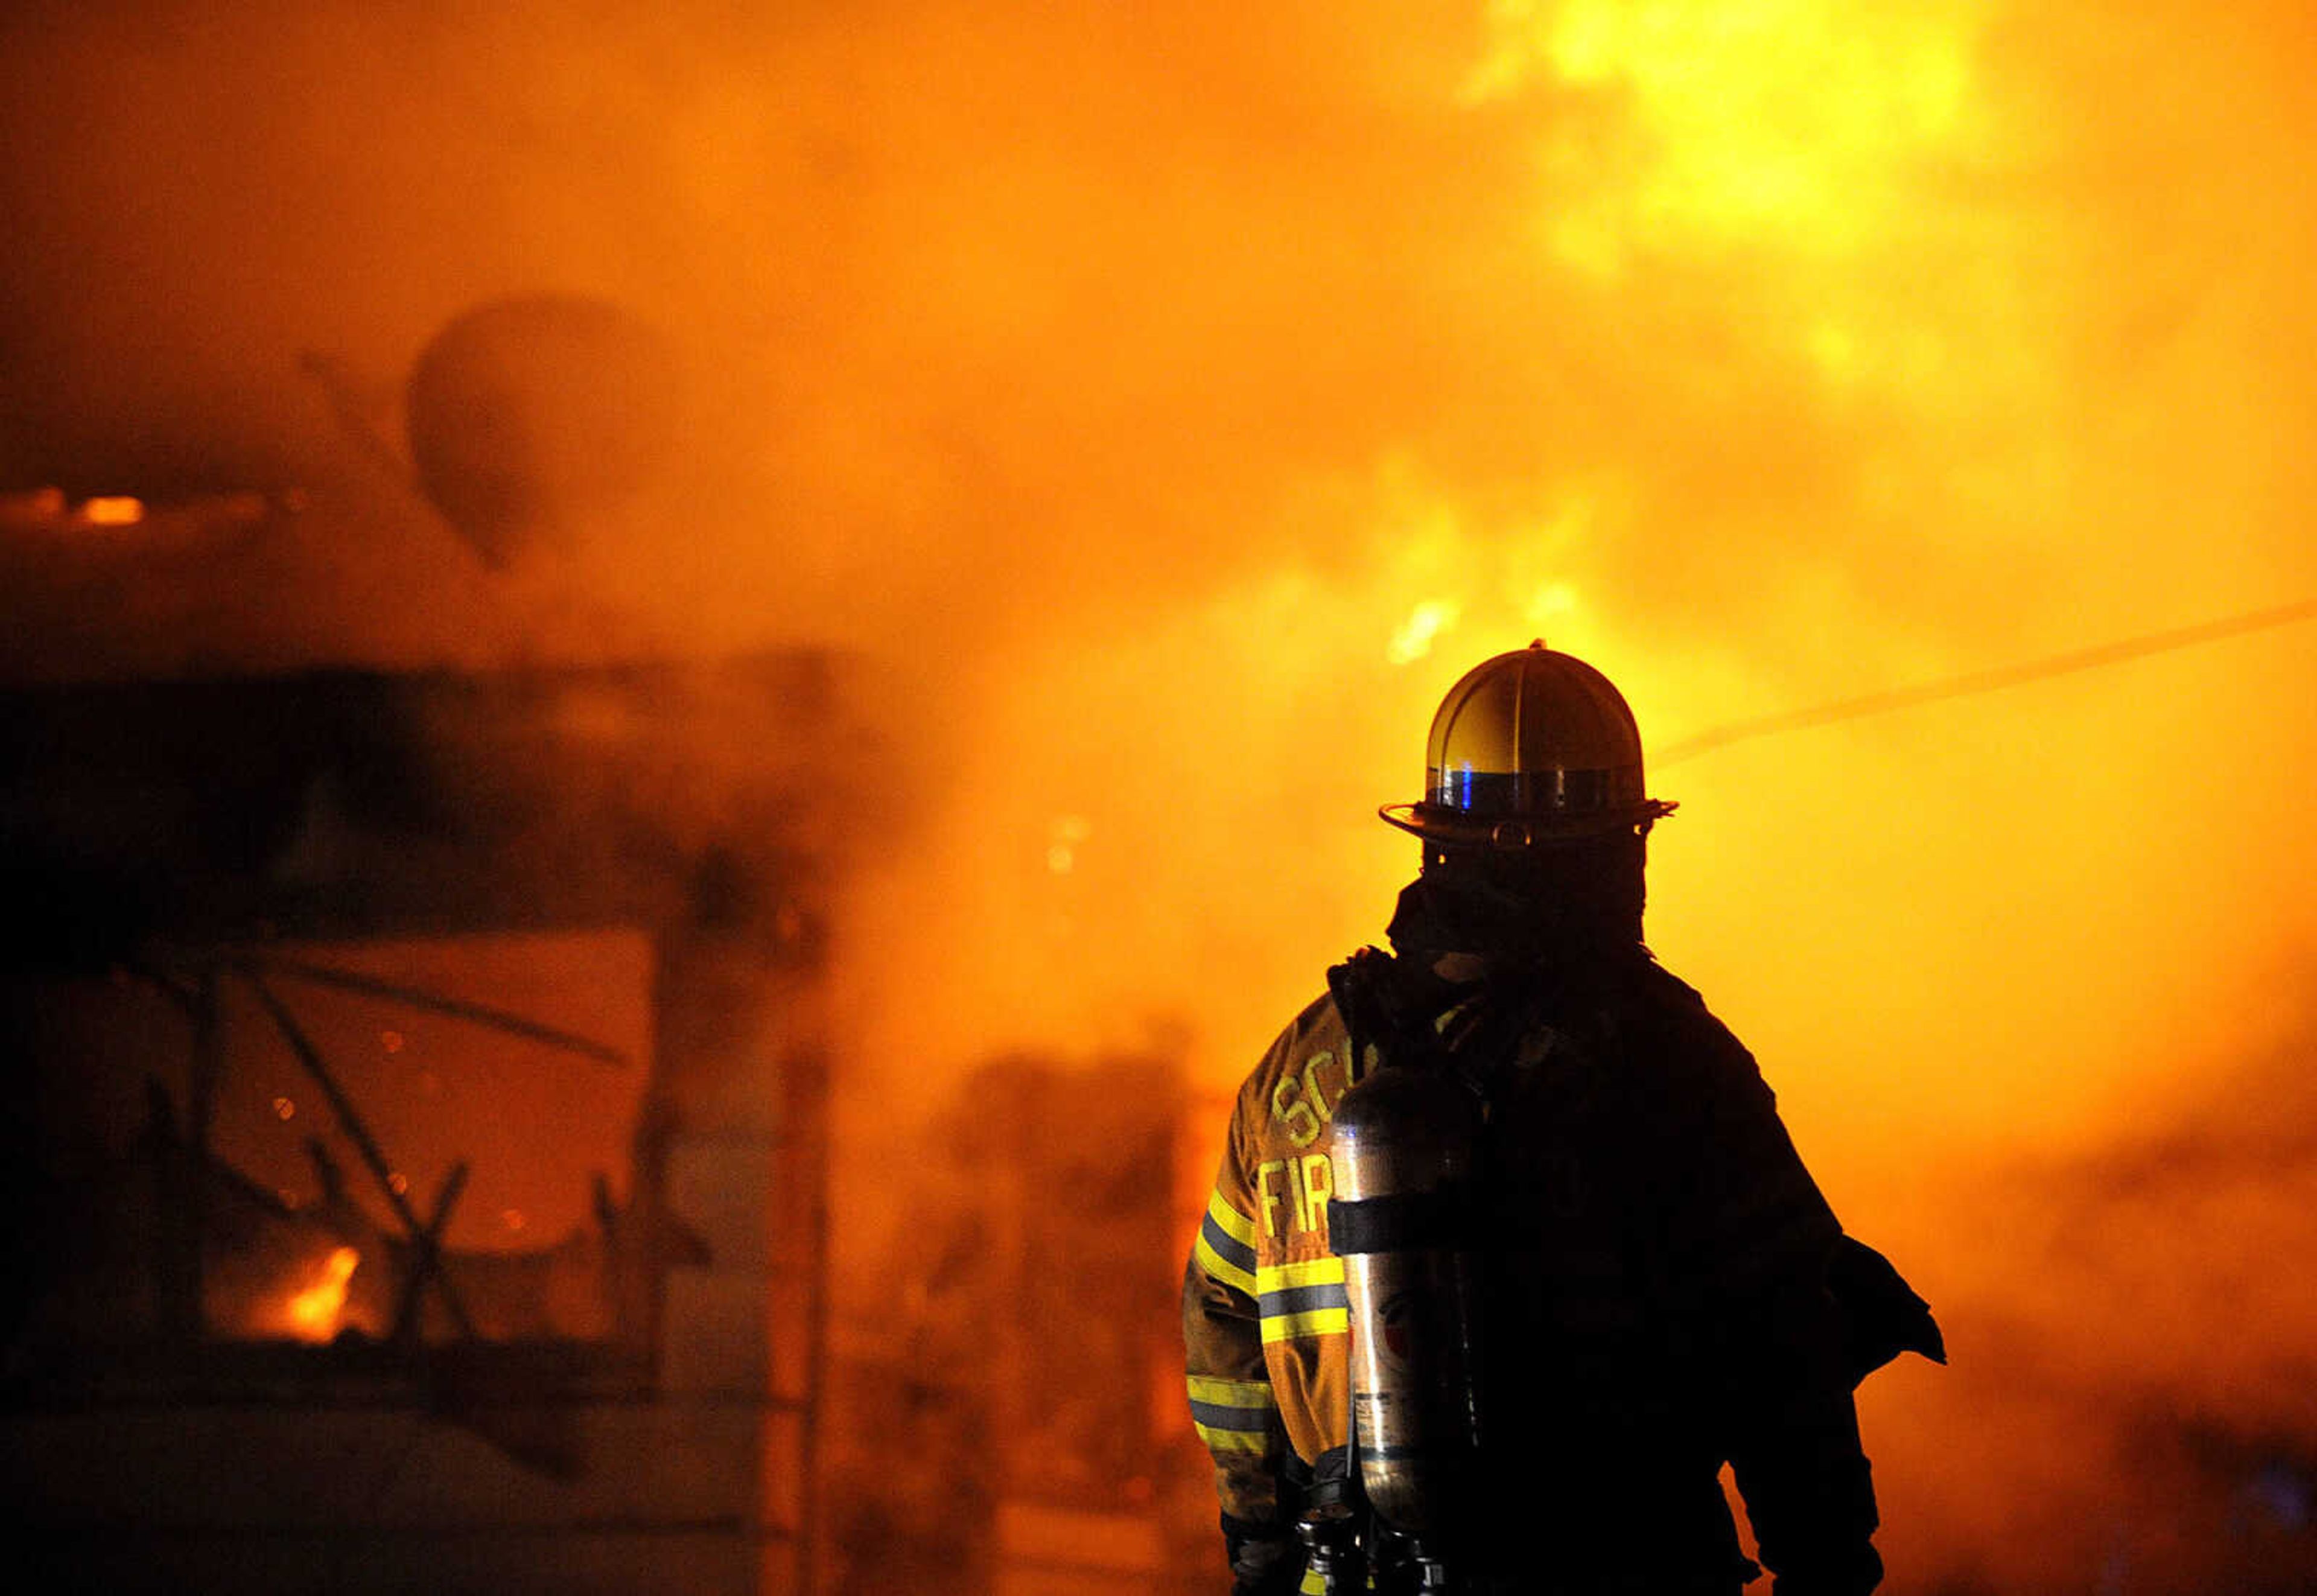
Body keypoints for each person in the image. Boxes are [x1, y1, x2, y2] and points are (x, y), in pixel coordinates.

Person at [1181, 643, 1937, 1596]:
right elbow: (1782, 1341)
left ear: (1438, 839)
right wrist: (1827, 1560)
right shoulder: (1666, 1058)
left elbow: (1220, 1332)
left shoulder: (1293, 1074)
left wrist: (1261, 1554)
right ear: (1616, 849)